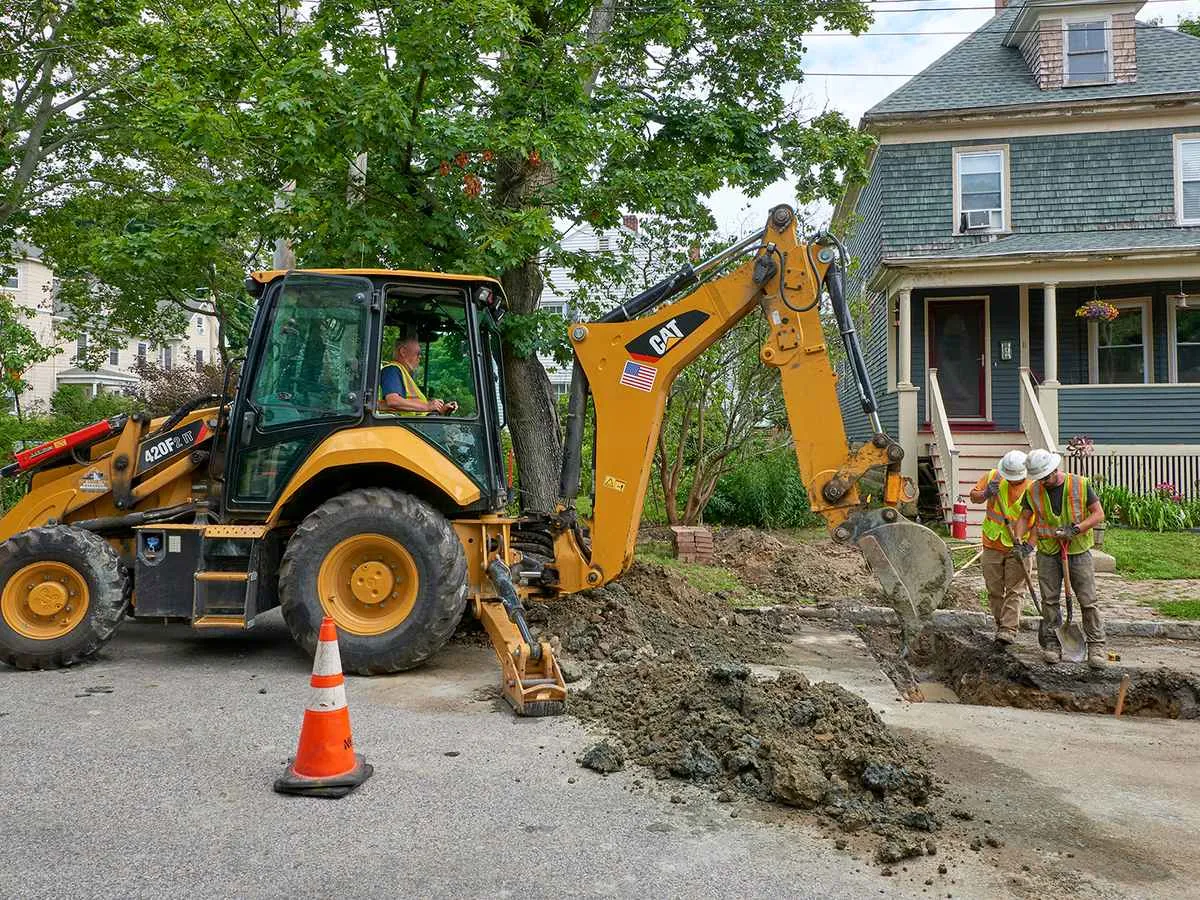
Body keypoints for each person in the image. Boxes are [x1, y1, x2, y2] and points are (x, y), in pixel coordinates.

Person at [1013, 448, 1107, 668]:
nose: (1044, 482)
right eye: (1039, 478)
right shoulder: (1033, 490)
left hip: (1077, 550)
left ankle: (1096, 645)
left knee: (1087, 600)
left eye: (1046, 477)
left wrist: (1076, 529)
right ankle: (1051, 643)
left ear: (1056, 469)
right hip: (1048, 550)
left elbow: (1098, 514)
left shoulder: (1080, 485)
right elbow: (1024, 517)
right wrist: (1018, 539)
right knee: (1049, 600)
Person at [968, 449, 1032, 647]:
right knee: (994, 589)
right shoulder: (993, 476)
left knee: (1015, 589)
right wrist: (987, 492)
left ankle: (1008, 630)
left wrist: (1028, 546)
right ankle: (1000, 624)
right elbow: (974, 497)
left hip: (1018, 546)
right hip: (992, 543)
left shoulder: (1033, 487)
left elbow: (1038, 520)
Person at [379, 335, 457, 416]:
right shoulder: (392, 370)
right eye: (418, 354)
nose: (420, 358)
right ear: (403, 352)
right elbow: (393, 401)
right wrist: (427, 406)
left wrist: (440, 410)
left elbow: (417, 410)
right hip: (399, 426)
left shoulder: (404, 374)